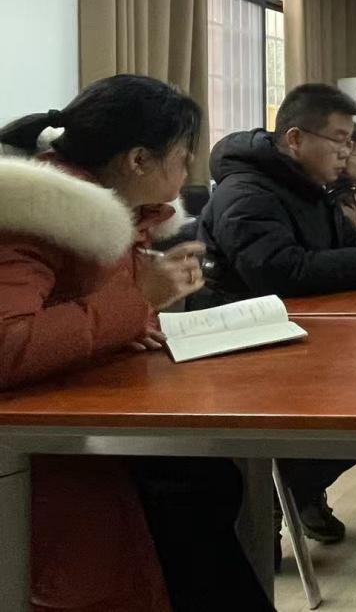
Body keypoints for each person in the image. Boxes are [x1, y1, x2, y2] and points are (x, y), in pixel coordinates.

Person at [0, 75, 272, 612]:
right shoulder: (33, 218)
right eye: (183, 156)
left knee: (207, 477)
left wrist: (135, 317)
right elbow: (7, 345)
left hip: (83, 413)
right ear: (139, 160)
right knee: (191, 485)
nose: (189, 170)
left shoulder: (114, 210)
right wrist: (136, 300)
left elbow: (76, 308)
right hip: (36, 448)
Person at [197, 83, 356, 548]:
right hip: (249, 349)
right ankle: (271, 502)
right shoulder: (246, 191)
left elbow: (349, 245)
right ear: (295, 139)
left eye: (349, 140)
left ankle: (301, 487)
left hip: (308, 332)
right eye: (338, 139)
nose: (347, 152)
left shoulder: (309, 186)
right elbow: (279, 270)